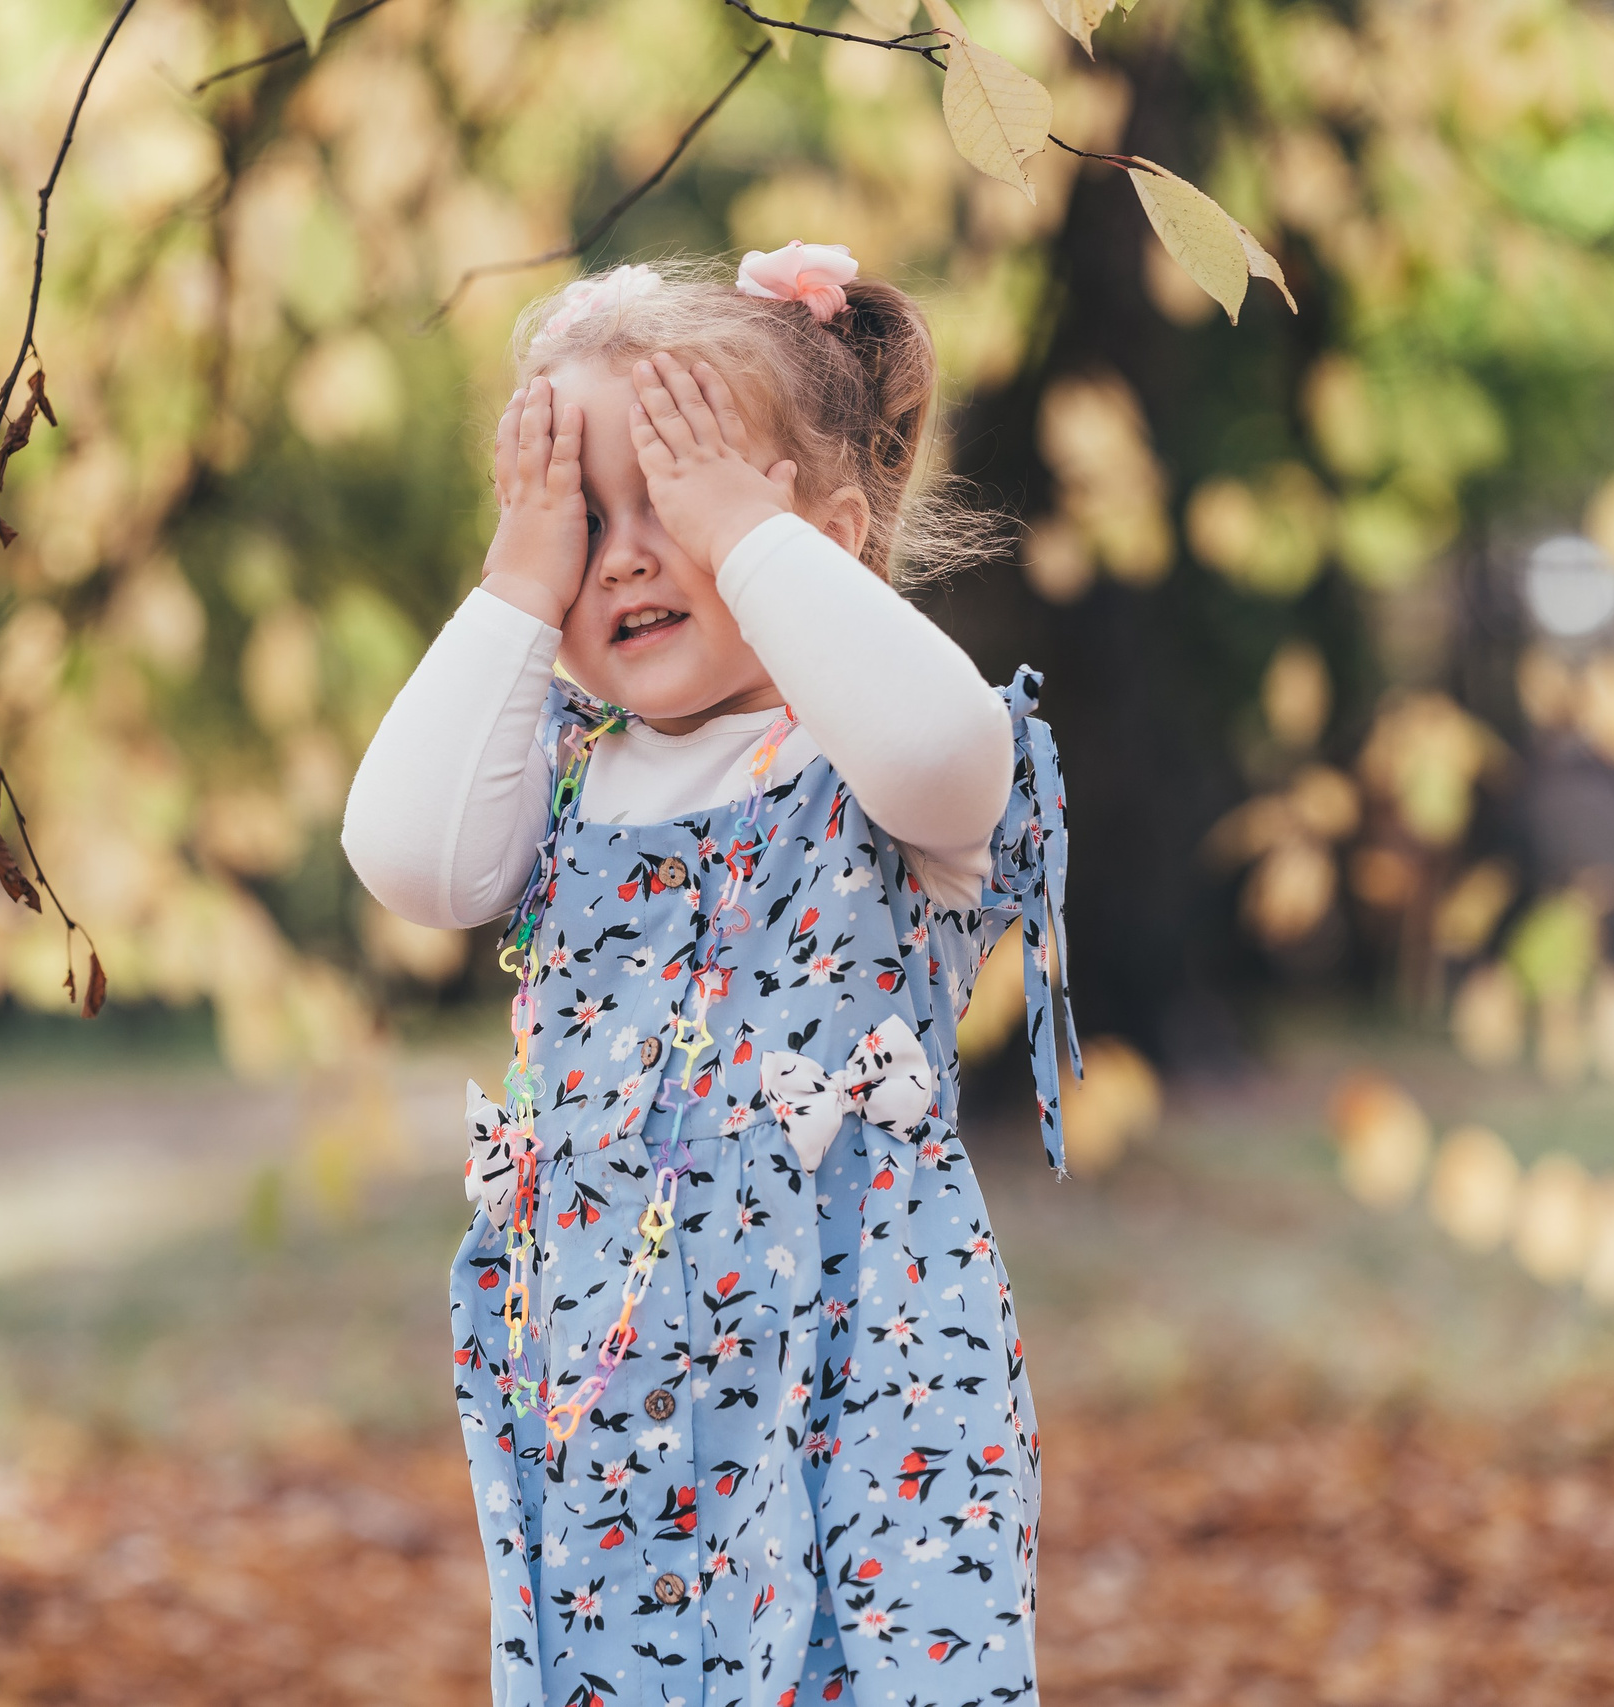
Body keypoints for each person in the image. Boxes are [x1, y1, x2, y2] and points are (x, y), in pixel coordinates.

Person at [342, 242, 1077, 1707]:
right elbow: (407, 861)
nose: (625, 551)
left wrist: (744, 534)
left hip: (865, 1378)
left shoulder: (881, 766)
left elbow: (944, 750)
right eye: (585, 515)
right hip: (610, 1390)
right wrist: (511, 584)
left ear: (830, 541)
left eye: (673, 498)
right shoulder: (559, 781)